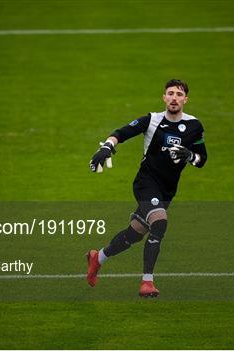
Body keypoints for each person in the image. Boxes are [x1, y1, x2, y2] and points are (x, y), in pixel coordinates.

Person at [87, 79, 207, 297]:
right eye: (170, 93)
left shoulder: (194, 127)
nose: (174, 97)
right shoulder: (152, 120)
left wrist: (189, 155)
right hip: (146, 183)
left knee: (134, 234)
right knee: (159, 222)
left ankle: (98, 258)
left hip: (167, 191)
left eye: (179, 94)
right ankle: (147, 282)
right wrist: (107, 146)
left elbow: (201, 160)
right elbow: (121, 133)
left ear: (185, 100)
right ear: (164, 97)